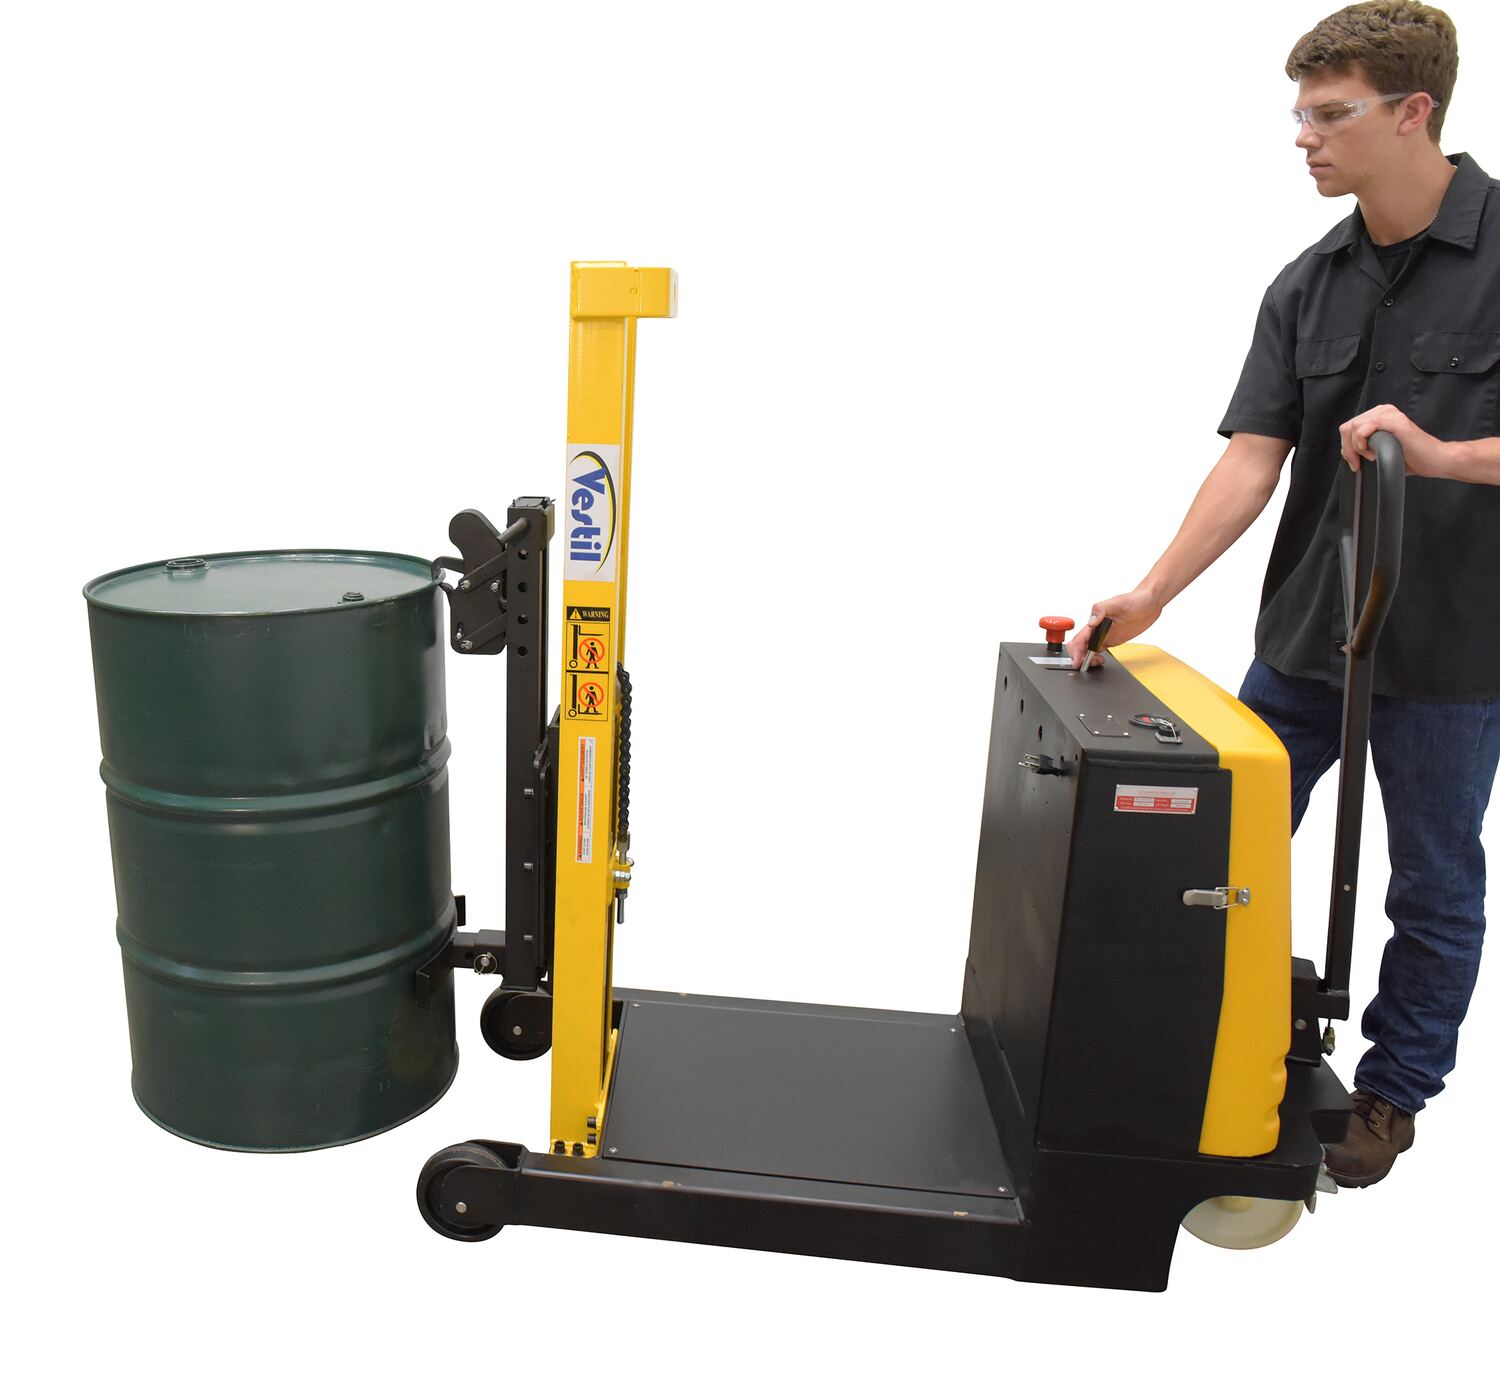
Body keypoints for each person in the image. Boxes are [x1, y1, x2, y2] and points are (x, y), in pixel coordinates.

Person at [1067, 0, 1500, 1188]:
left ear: (1413, 113)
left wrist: (1442, 453)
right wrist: (1152, 592)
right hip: (1310, 636)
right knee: (1216, 851)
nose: (1303, 137)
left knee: (1434, 880)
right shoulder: (1308, 283)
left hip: (1456, 650)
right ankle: (1192, 1053)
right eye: (1299, 115)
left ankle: (1392, 1094)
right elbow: (1252, 460)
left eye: (1329, 114)